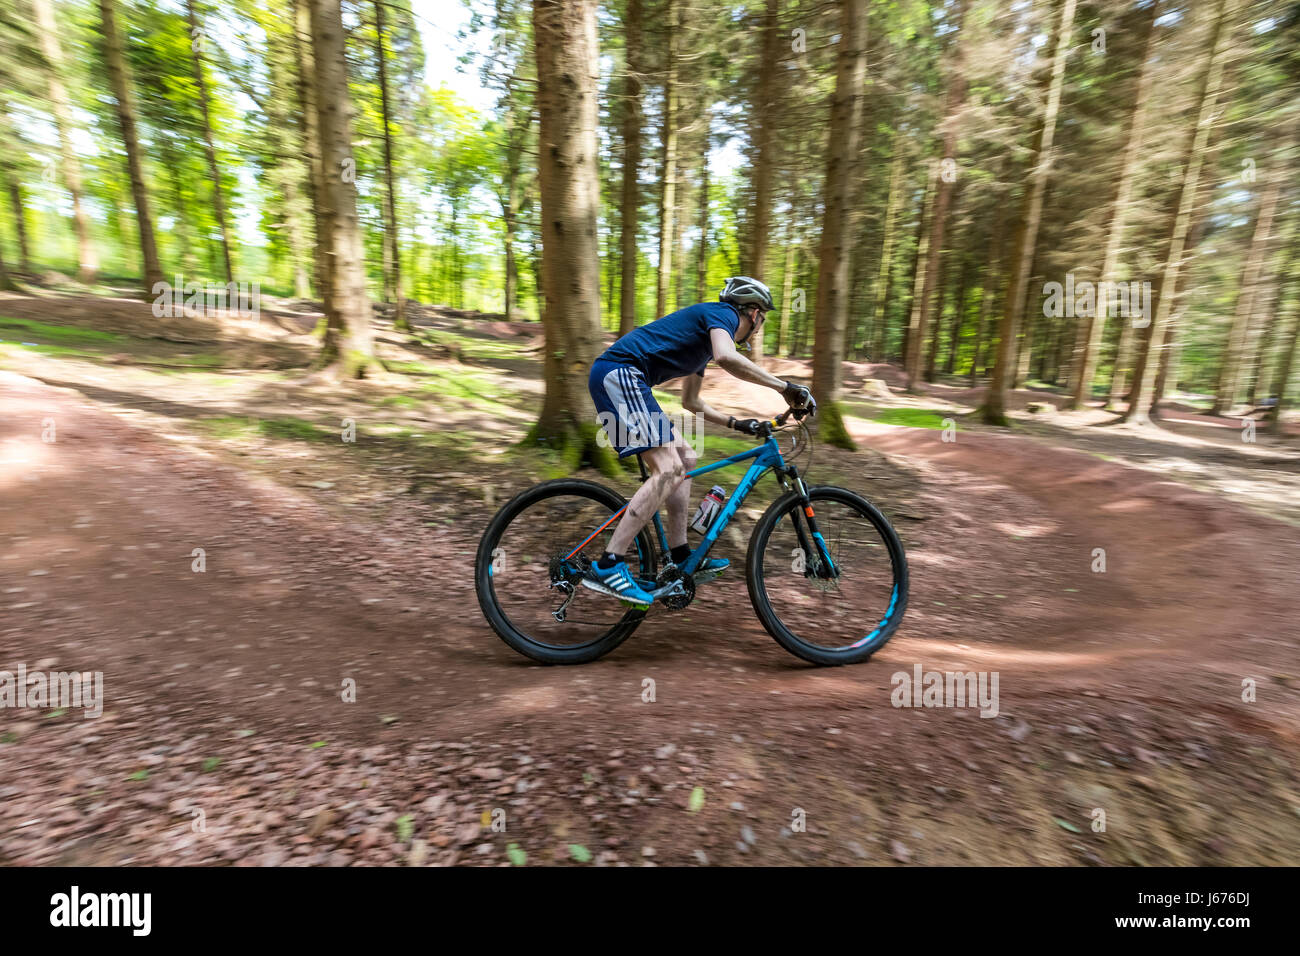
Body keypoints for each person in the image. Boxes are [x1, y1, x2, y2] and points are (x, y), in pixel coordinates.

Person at [585, 276, 816, 606]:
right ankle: (610, 564)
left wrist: (739, 423)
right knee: (668, 469)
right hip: (620, 375)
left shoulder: (706, 343)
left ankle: (679, 557)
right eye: (763, 317)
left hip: (625, 379)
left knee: (686, 458)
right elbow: (727, 357)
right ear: (752, 312)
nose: (760, 326)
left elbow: (691, 402)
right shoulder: (722, 315)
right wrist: (785, 387)